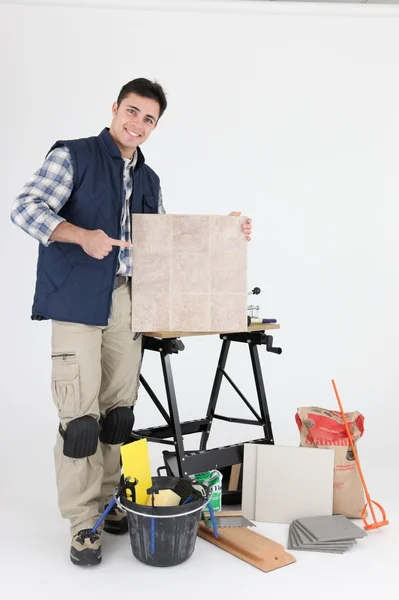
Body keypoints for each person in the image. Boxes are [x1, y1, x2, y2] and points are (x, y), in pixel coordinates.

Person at [10, 77, 252, 567]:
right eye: (133, 111)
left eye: (149, 119)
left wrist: (225, 232)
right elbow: (25, 208)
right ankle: (83, 523)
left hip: (126, 300)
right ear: (115, 107)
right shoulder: (72, 155)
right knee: (80, 421)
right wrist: (80, 236)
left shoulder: (149, 179)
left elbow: (160, 249)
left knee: (118, 415)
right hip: (75, 299)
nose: (138, 124)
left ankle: (107, 504)